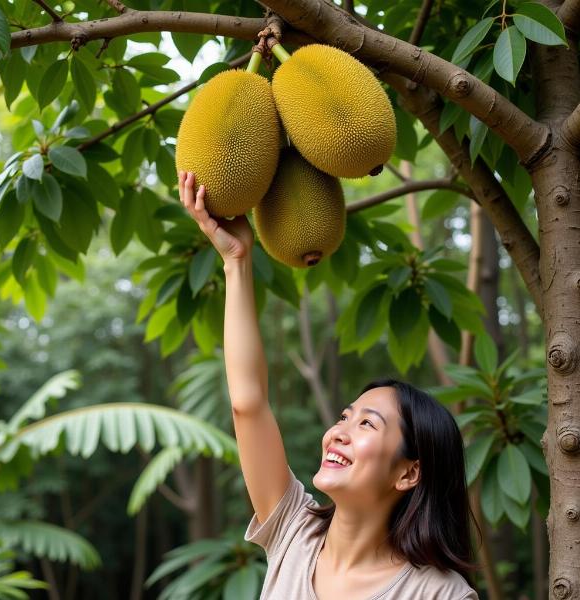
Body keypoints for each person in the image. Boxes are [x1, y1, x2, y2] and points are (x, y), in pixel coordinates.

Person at [178, 170, 480, 600]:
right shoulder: (293, 534)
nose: (338, 431)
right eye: (344, 417)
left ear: (409, 472)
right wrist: (237, 261)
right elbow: (248, 403)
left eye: (367, 425)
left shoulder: (440, 594)